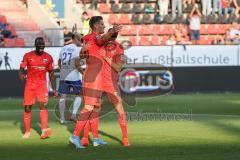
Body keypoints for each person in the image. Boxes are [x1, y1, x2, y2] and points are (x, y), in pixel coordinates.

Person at [69, 16, 122, 149]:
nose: (104, 27)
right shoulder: (94, 37)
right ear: (96, 26)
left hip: (96, 76)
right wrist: (111, 32)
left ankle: (96, 139)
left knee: (95, 108)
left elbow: (83, 54)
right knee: (88, 107)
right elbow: (101, 40)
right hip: (92, 76)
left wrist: (82, 51)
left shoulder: (88, 38)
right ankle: (74, 136)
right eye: (102, 24)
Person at [81, 28, 130, 147]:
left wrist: (106, 58)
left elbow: (118, 68)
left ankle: (125, 138)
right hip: (98, 81)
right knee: (92, 110)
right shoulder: (100, 44)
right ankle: (85, 138)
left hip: (110, 83)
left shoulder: (119, 48)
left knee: (117, 110)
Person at [20, 37, 58, 139]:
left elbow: (51, 74)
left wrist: (54, 89)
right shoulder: (28, 56)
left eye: (43, 46)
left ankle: (44, 130)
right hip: (30, 84)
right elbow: (22, 68)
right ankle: (27, 132)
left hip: (41, 85)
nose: (41, 47)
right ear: (36, 45)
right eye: (39, 46)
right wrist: (22, 74)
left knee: (43, 106)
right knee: (27, 108)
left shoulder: (48, 57)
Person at [58, 33, 84, 124]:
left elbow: (59, 62)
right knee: (79, 94)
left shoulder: (64, 48)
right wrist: (82, 72)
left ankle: (62, 118)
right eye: (79, 39)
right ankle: (73, 115)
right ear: (74, 39)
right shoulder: (76, 49)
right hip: (74, 75)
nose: (80, 40)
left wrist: (63, 71)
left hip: (64, 75)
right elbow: (77, 64)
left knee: (63, 96)